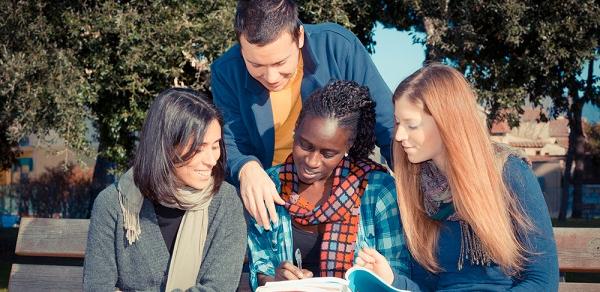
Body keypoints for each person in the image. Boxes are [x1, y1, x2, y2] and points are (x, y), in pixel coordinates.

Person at [354, 64, 559, 291]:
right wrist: (391, 280)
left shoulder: (509, 173)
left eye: (411, 125)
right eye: (398, 123)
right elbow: (425, 287)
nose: (400, 135)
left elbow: (542, 281)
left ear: (447, 122)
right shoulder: (418, 187)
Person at [211, 0, 395, 230]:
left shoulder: (338, 47)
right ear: (241, 47)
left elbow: (388, 125)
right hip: (273, 191)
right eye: (255, 64)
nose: (271, 76)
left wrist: (418, 185)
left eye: (280, 62)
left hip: (342, 184)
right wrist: (246, 168)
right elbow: (230, 140)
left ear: (299, 36)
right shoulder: (225, 71)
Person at [246, 80, 417, 291]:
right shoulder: (269, 185)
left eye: (328, 153)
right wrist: (275, 281)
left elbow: (398, 275)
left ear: (348, 146)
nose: (312, 161)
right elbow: (260, 270)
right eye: (304, 145)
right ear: (296, 129)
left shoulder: (378, 191)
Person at [84, 88, 247, 291]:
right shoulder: (113, 204)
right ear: (165, 146)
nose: (212, 160)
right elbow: (97, 287)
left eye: (215, 146)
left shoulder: (225, 202)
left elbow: (218, 288)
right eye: (198, 148)